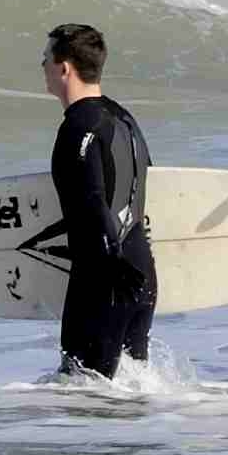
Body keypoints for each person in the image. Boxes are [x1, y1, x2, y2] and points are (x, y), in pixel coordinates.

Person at [35, 22, 159, 379]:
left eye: (44, 60)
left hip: (105, 277)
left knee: (84, 398)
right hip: (141, 273)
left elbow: (91, 200)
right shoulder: (124, 120)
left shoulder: (78, 127)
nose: (42, 68)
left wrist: (109, 263)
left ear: (64, 68)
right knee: (131, 394)